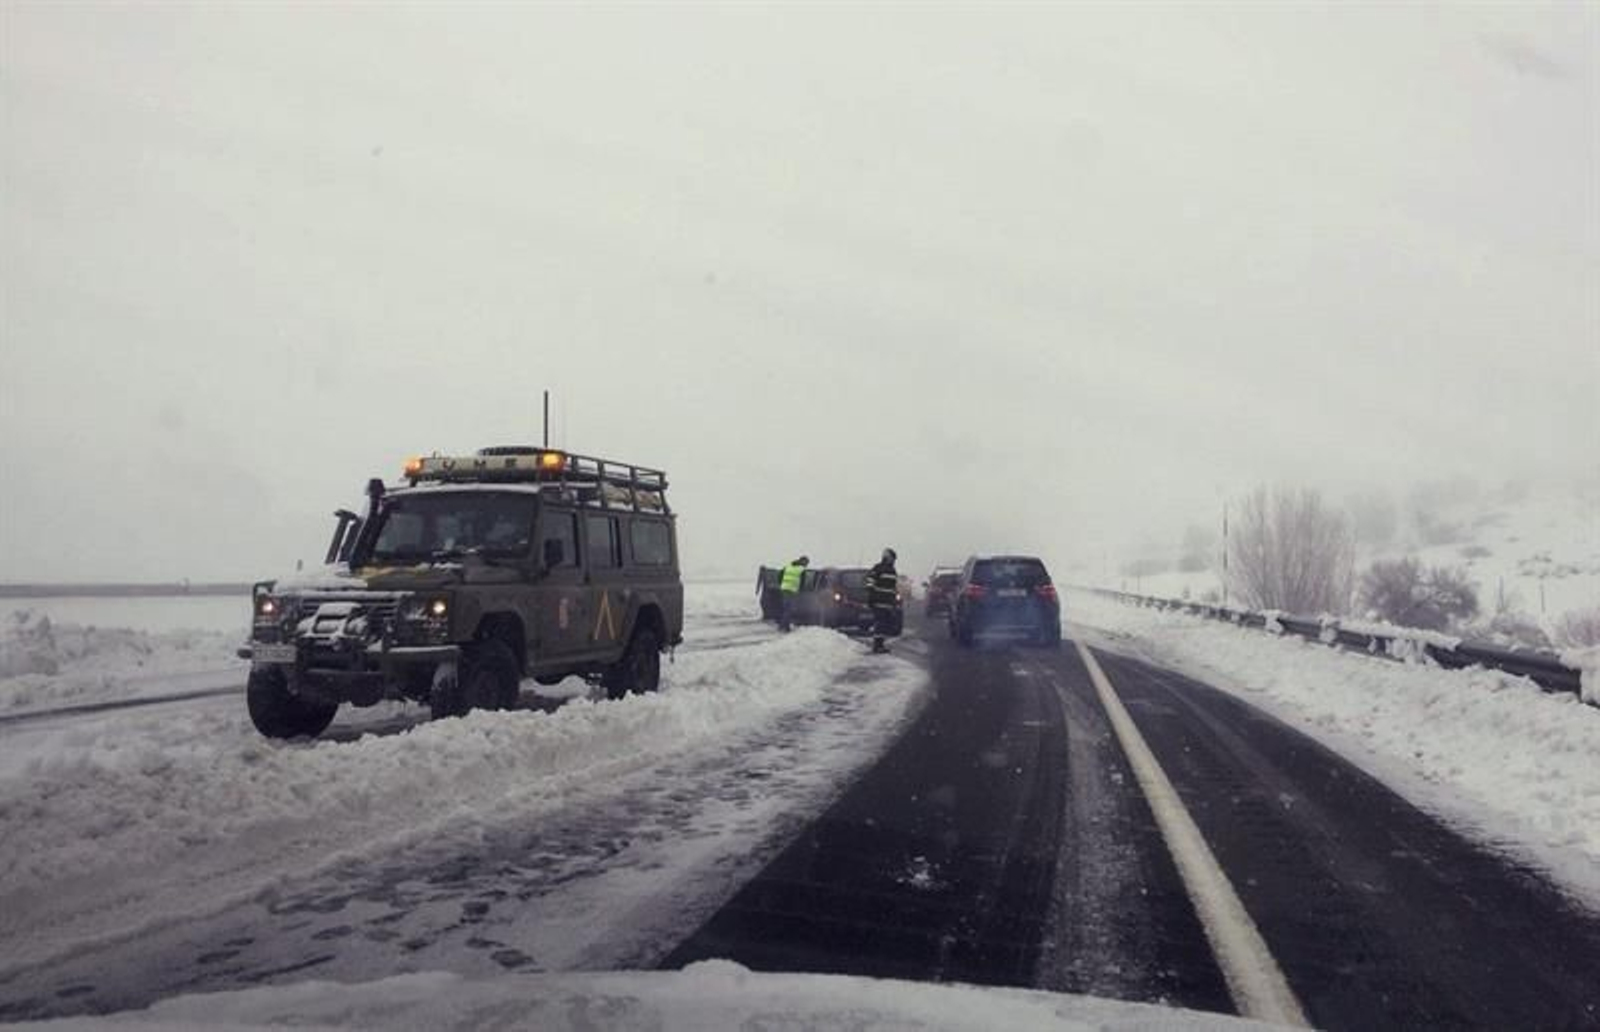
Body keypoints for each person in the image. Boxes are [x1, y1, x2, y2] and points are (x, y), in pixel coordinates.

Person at [867, 547, 899, 653]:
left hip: (888, 603)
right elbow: (870, 582)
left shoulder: (893, 571)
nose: (893, 561)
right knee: (880, 623)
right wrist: (872, 596)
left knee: (885, 624)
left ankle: (880, 644)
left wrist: (894, 601)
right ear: (887, 557)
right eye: (892, 558)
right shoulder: (878, 568)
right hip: (879, 601)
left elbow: (893, 588)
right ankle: (877, 646)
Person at [778, 555, 809, 632]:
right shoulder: (802, 570)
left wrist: (781, 584)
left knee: (786, 608)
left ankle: (782, 625)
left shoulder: (788, 566)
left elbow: (780, 575)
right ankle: (785, 627)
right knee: (789, 609)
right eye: (806, 563)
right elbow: (803, 582)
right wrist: (801, 590)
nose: (807, 565)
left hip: (784, 589)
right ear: (803, 562)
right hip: (792, 590)